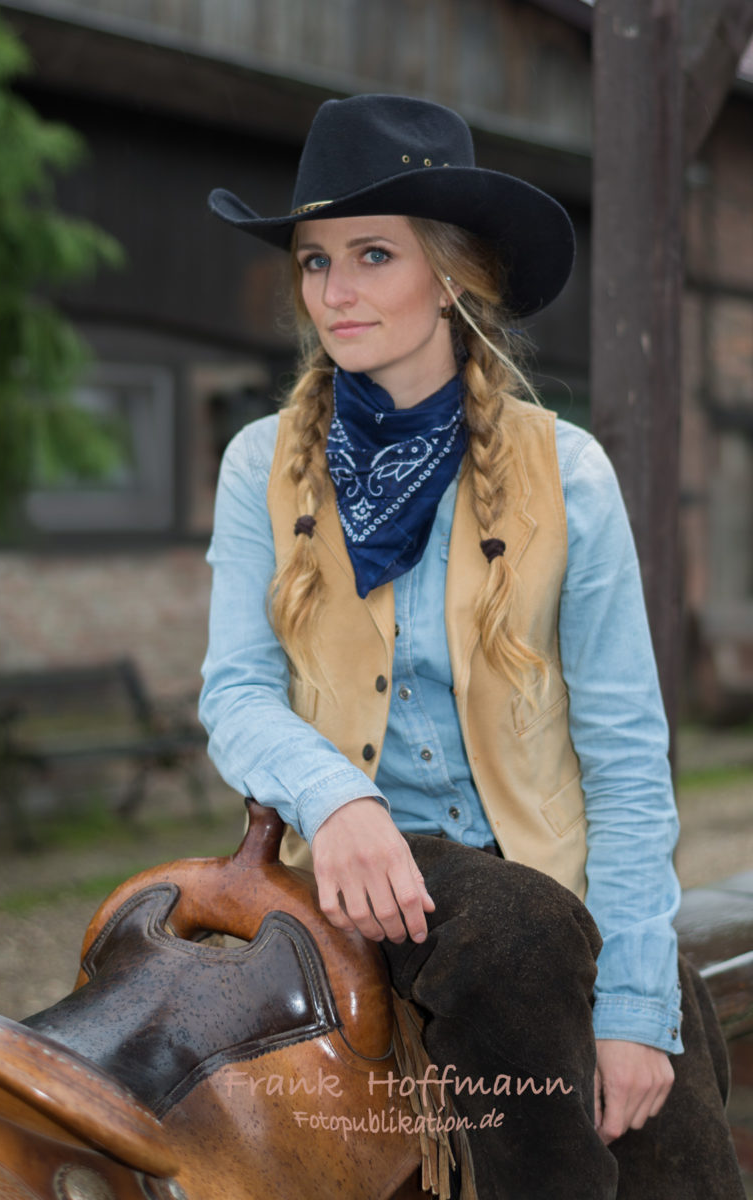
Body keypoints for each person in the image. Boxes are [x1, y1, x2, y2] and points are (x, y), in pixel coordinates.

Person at [199, 94, 743, 1198]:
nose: (332, 292)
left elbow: (625, 756)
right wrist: (331, 798)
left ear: (451, 276)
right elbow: (236, 691)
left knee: (654, 998)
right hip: (360, 880)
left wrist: (635, 1005)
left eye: (369, 255)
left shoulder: (568, 472)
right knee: (514, 931)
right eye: (313, 261)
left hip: (540, 875)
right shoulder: (261, 463)